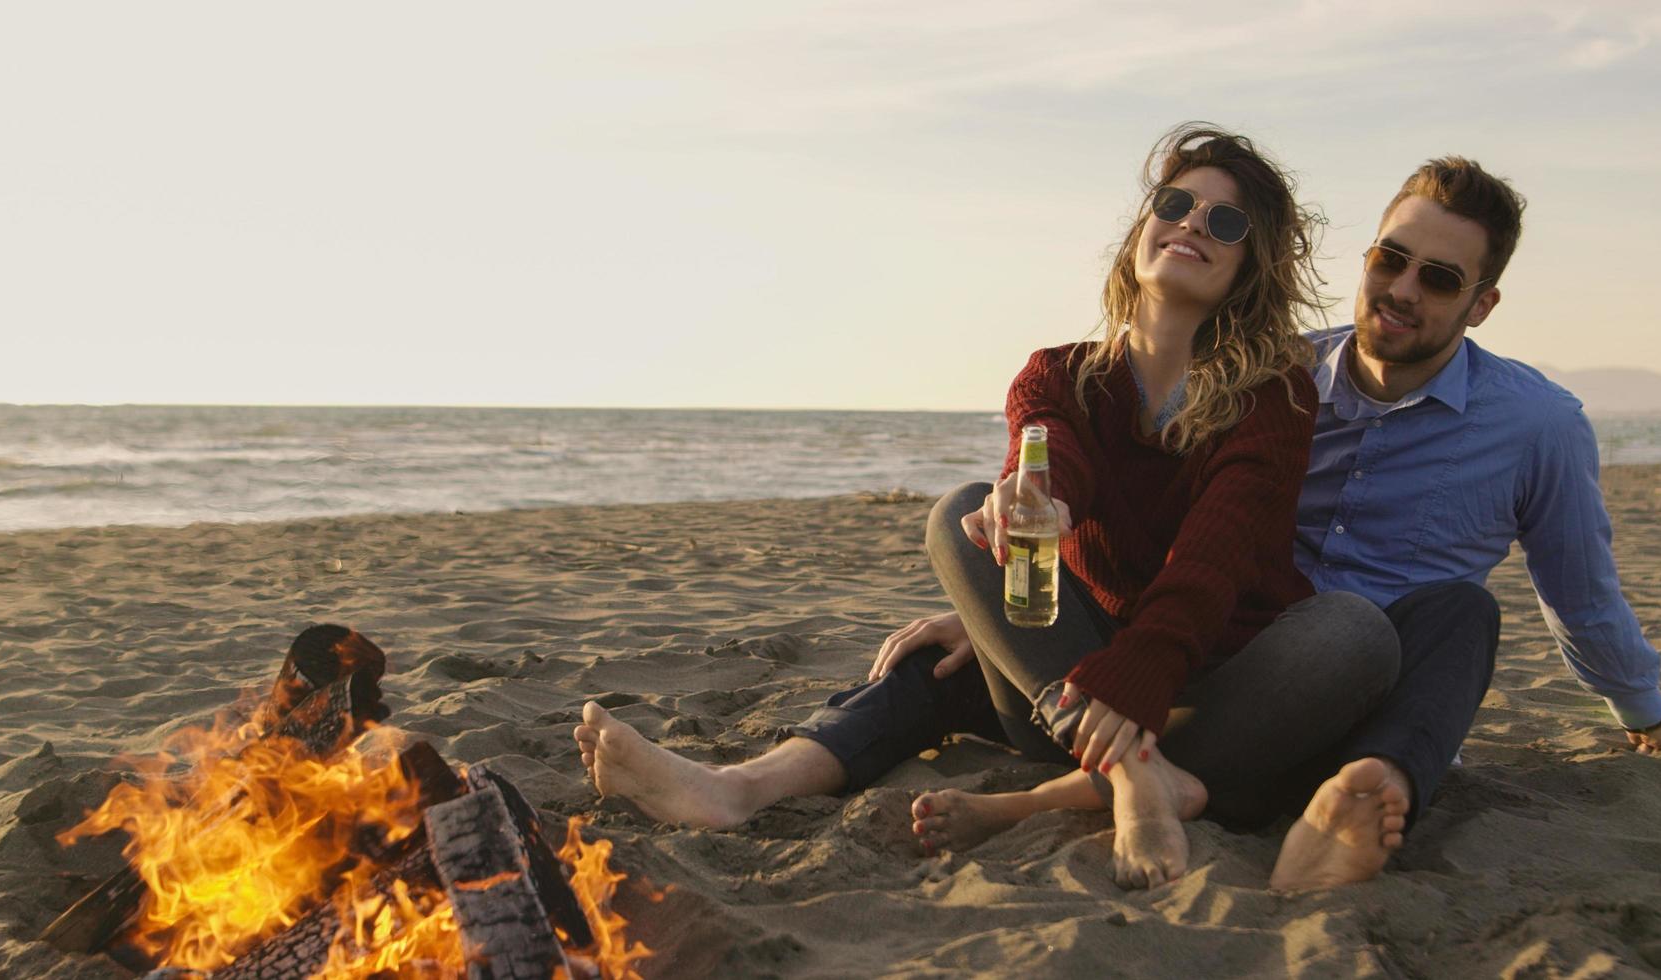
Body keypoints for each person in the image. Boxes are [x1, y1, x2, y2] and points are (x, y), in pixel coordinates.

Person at [575, 125, 1404, 889]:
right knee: (960, 529)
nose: (1192, 224)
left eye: (1225, 224)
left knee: (1355, 633)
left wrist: (1133, 676)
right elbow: (1049, 458)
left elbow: (1216, 555)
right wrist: (1031, 504)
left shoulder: (1273, 392)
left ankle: (1104, 775)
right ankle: (737, 788)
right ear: (1143, 226)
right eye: (1176, 203)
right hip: (1081, 682)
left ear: (1248, 264)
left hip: (1216, 685)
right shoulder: (1056, 373)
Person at [913, 155, 1661, 892]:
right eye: (1389, 260)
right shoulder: (1271, 373)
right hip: (1223, 667)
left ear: (1482, 304)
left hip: (1365, 695)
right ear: (1366, 258)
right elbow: (1170, 520)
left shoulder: (1538, 425)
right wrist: (995, 596)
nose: (1401, 289)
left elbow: (1581, 592)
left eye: (1437, 279)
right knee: (963, 528)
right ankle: (1135, 779)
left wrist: (1648, 716)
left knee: (1457, 614)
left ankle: (1355, 793)